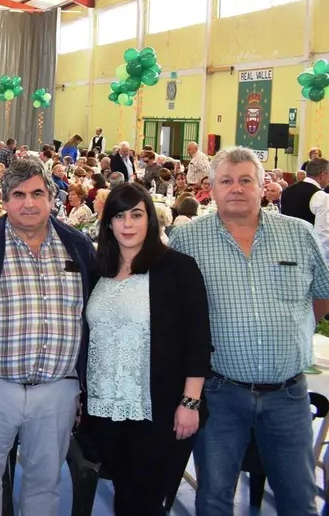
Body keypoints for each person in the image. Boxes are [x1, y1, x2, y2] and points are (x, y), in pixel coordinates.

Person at [170, 147, 329, 516]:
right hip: (220, 393)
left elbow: (321, 295)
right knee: (214, 497)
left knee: (298, 499)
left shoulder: (298, 234)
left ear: (263, 186)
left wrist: (290, 330)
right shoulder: (188, 241)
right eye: (226, 181)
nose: (236, 188)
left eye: (246, 180)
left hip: (288, 396)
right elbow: (172, 314)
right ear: (212, 187)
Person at [0, 157, 98, 516]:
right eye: (19, 194)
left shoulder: (78, 246)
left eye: (38, 193)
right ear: (4, 200)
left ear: (52, 199)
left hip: (57, 390)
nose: (29, 203)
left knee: (44, 482)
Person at [86, 183, 210, 513]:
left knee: (143, 502)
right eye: (119, 216)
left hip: (159, 409)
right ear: (108, 223)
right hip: (106, 410)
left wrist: (190, 401)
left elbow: (198, 340)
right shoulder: (99, 271)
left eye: (136, 215)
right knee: (124, 496)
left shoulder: (178, 268)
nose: (128, 224)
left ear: (150, 220)